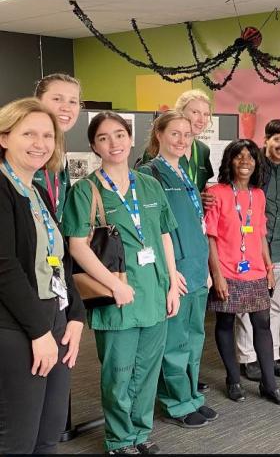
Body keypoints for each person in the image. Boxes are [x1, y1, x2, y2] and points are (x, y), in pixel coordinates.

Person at [63, 112, 182, 455]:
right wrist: (113, 286)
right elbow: (77, 246)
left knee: (147, 371)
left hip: (155, 293)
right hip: (116, 297)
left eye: (119, 135)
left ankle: (140, 434)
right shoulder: (86, 190)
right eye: (104, 137)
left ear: (131, 139)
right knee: (118, 373)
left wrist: (172, 283)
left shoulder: (150, 184)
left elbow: (163, 235)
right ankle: (118, 440)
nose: (113, 143)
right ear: (93, 146)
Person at [0, 98, 85, 454]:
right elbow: (4, 266)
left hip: (55, 320)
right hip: (17, 326)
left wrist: (75, 316)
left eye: (47, 135)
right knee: (18, 440)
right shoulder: (3, 189)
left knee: (48, 434)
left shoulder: (36, 191)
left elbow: (58, 261)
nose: (40, 143)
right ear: (4, 138)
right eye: (28, 133)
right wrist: (39, 331)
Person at [139, 112, 217, 427]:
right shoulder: (150, 174)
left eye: (187, 134)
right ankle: (178, 402)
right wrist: (171, 274)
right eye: (175, 133)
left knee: (194, 339)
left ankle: (191, 396)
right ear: (159, 134)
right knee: (175, 342)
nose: (182, 140)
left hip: (197, 267)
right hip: (178, 272)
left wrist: (208, 268)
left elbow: (195, 221)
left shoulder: (183, 170)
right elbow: (153, 230)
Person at [204, 139, 280, 407]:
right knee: (225, 324)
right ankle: (233, 379)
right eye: (239, 156)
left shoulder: (258, 195)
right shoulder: (217, 193)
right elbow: (210, 237)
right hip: (227, 271)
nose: (245, 161)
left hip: (255, 271)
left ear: (257, 163)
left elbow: (261, 236)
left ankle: (269, 384)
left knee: (262, 325)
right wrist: (217, 275)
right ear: (229, 161)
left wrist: (268, 268)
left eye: (251, 157)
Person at [235, 120, 280, 380]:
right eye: (278, 140)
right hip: (249, 249)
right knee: (248, 306)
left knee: (275, 307)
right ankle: (248, 359)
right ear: (267, 139)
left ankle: (272, 356)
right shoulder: (250, 164)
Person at [142, 89, 214, 193]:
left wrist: (202, 196)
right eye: (195, 112)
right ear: (180, 112)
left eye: (206, 114)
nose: (202, 120)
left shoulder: (203, 150)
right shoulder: (159, 147)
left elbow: (201, 185)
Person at [33, 73, 82, 221]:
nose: (66, 107)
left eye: (73, 101)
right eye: (57, 99)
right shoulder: (20, 149)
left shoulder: (60, 152)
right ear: (37, 102)